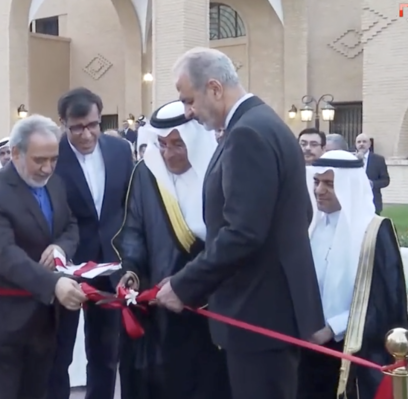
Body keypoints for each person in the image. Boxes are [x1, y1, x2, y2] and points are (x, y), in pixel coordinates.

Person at [156, 48, 324, 399]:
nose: (188, 111)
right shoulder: (262, 122)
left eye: (189, 100)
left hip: (260, 312)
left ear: (214, 88)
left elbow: (243, 232)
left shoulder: (248, 133)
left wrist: (185, 284)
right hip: (268, 307)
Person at [114, 101, 231, 399]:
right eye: (163, 144)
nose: (169, 153)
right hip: (158, 309)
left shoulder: (219, 171)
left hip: (207, 306)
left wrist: (188, 284)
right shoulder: (147, 171)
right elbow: (134, 231)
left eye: (178, 144)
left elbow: (231, 240)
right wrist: (131, 271)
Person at [0, 114, 86, 399]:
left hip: (46, 319)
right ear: (15, 154)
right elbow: (3, 254)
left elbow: (70, 225)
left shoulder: (55, 184)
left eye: (53, 159)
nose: (47, 168)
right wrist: (53, 284)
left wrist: (60, 248)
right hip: (6, 320)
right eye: (39, 160)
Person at [298, 150, 408, 399]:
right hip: (305, 346)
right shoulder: (310, 226)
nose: (319, 190)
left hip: (352, 351)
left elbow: (384, 302)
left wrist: (331, 328)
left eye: (329, 184)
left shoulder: (374, 232)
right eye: (316, 182)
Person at [50, 88, 133, 399]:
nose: (86, 134)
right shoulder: (52, 155)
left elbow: (127, 206)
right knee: (59, 354)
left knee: (105, 354)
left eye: (93, 125)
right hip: (66, 269)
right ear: (63, 123)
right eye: (77, 127)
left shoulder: (119, 150)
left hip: (110, 268)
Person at [355, 133, 390, 214]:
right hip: (355, 202)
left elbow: (386, 180)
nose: (361, 144)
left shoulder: (378, 160)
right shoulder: (351, 159)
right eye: (359, 142)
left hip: (373, 201)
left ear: (369, 144)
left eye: (364, 142)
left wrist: (372, 184)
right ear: (355, 144)